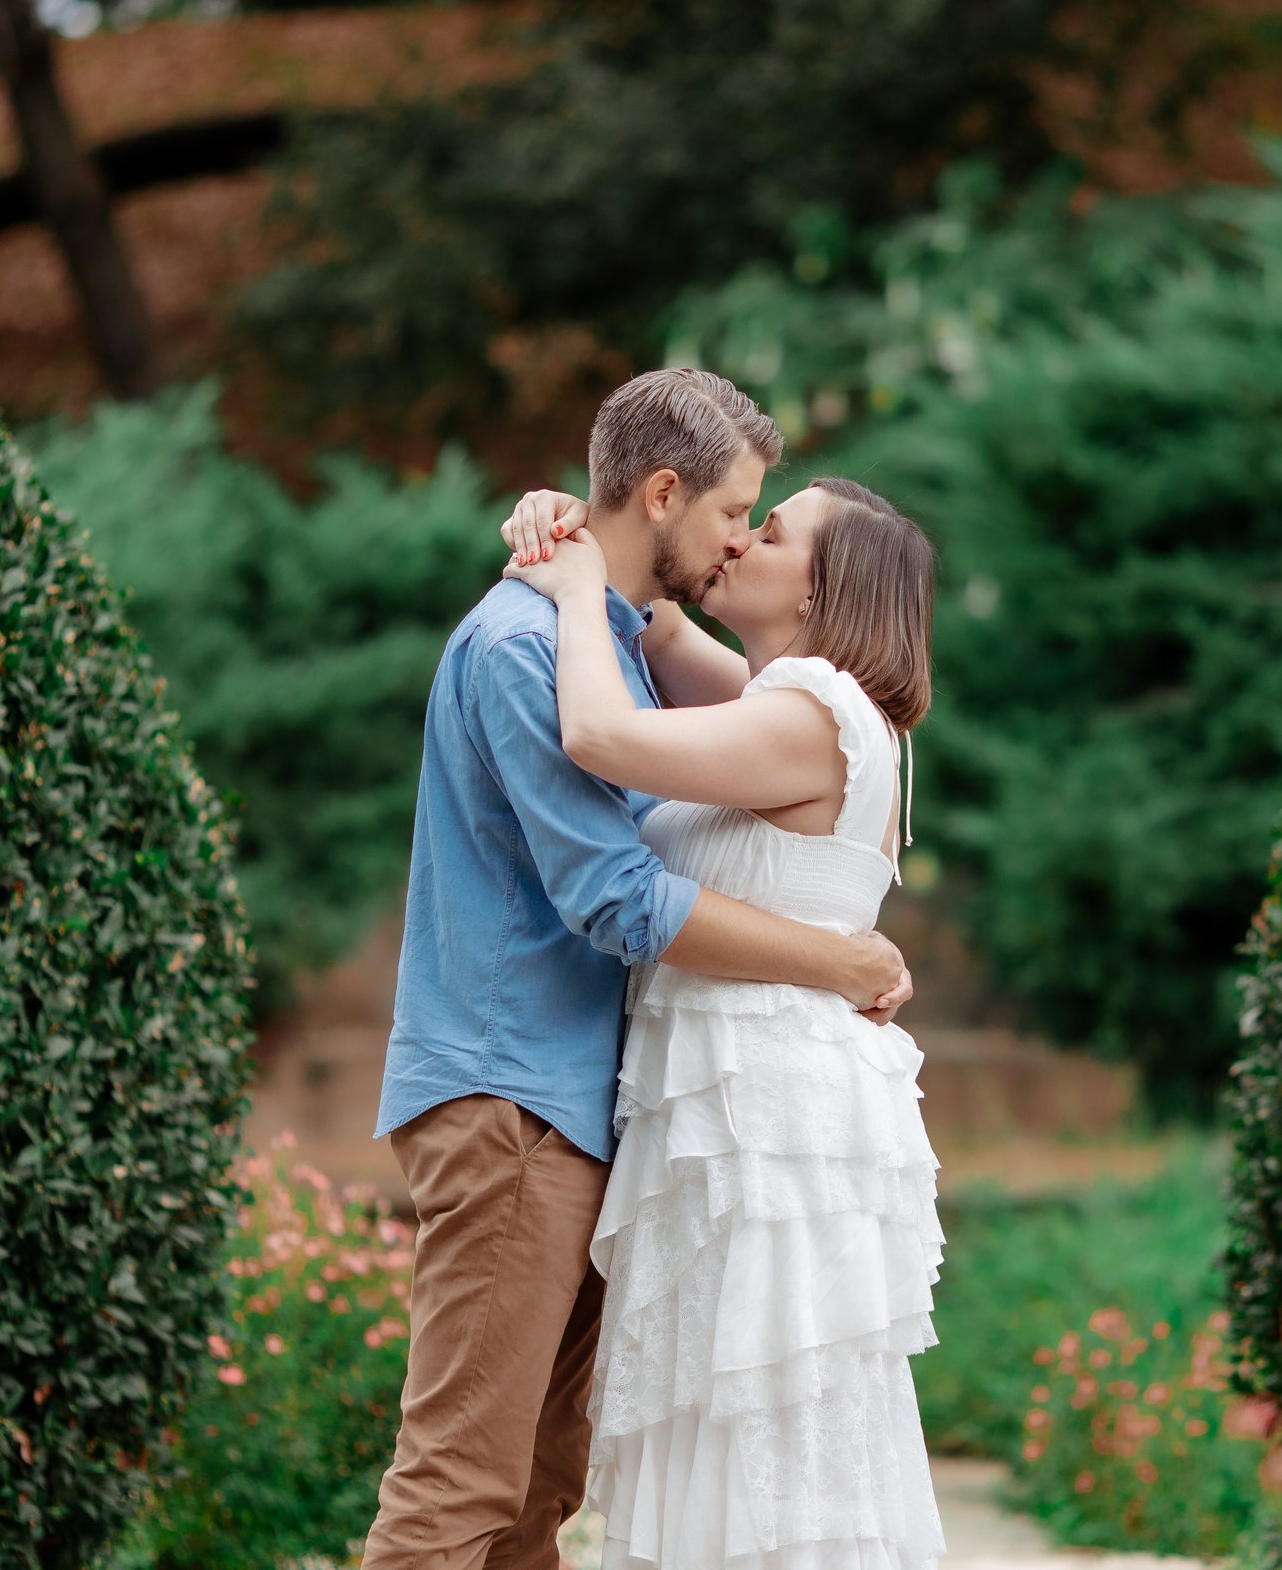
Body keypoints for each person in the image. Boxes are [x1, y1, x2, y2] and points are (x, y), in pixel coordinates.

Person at [365, 368, 916, 1570]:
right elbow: (614, 895)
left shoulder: (609, 646)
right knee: (462, 1483)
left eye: (762, 526)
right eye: (735, 512)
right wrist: (837, 957)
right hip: (511, 1097)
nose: (735, 543)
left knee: (533, 1494)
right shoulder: (528, 644)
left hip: (578, 1112)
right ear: (664, 493)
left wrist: (572, 546)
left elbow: (758, 703)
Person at [502, 469, 946, 1570]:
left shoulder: (812, 715)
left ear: (819, 591)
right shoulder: (777, 692)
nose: (742, 537)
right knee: (733, 1447)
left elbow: (600, 733)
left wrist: (563, 596)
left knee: (769, 1452)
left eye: (773, 528)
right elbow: (652, 618)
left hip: (762, 1131)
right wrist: (563, 515)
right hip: (728, 1122)